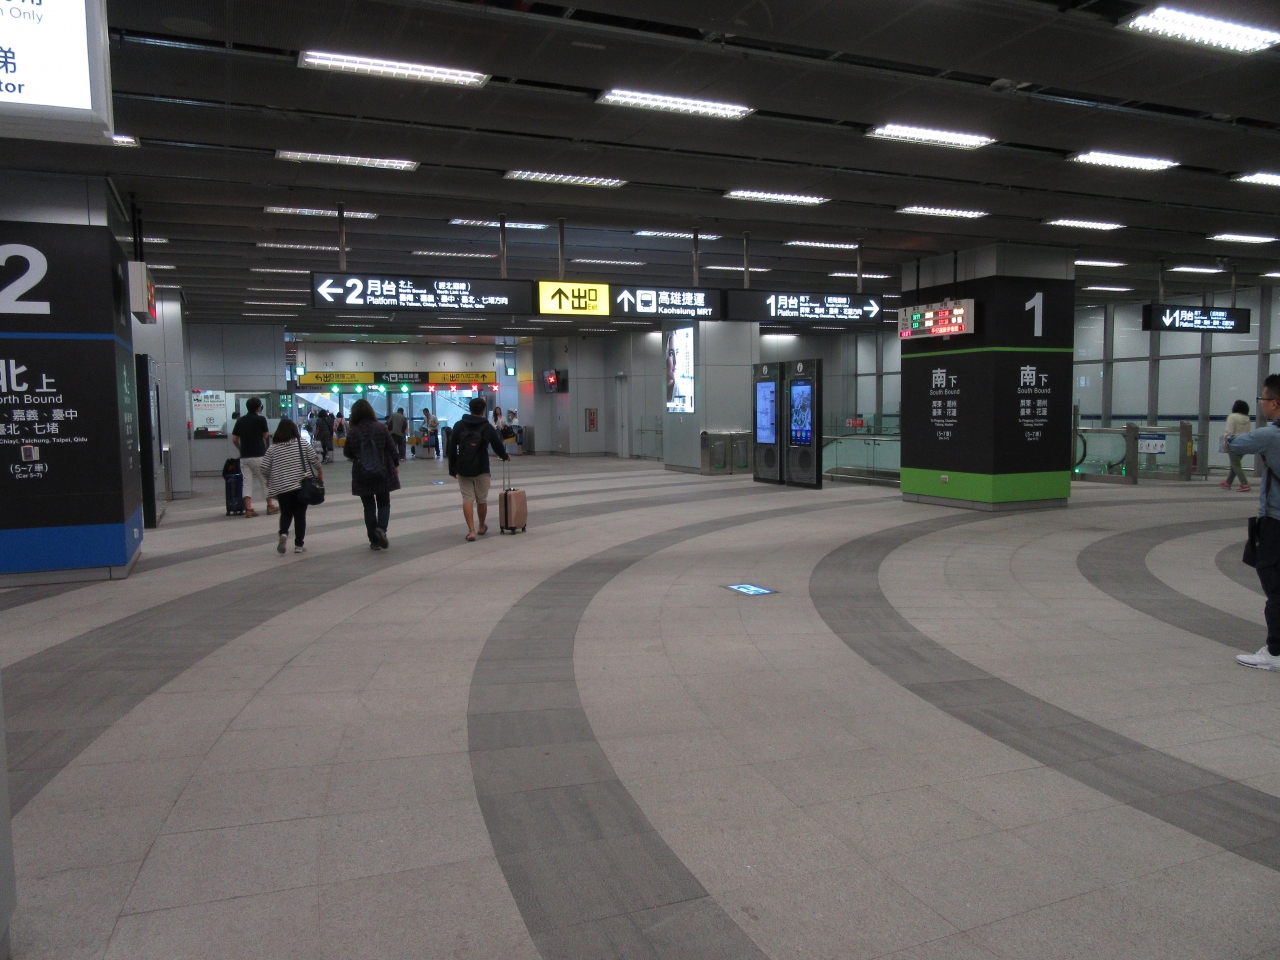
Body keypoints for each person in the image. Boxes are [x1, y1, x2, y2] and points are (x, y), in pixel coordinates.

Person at [1228, 376, 1280, 669]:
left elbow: (1233, 445)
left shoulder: (1271, 435)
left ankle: (1275, 652)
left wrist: (1228, 437)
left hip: (1275, 521)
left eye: (1262, 399)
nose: (1260, 404)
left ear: (1274, 403)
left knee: (1273, 583)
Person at [448, 396, 510, 542]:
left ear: (469, 409)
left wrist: (452, 468)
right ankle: (481, 526)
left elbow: (451, 448)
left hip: (463, 468)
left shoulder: (459, 425)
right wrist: (505, 456)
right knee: (481, 500)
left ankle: (471, 531)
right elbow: (497, 445)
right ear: (483, 411)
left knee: (467, 499)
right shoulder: (487, 427)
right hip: (482, 468)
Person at [345, 398, 400, 550]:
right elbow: (392, 449)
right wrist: (395, 464)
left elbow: (347, 452)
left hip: (362, 473)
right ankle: (381, 529)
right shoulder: (381, 428)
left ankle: (374, 542)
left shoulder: (352, 431)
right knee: (384, 503)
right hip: (383, 471)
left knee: (368, 507)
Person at [261, 418, 323, 554]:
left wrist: (269, 478)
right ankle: (299, 545)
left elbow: (264, 467)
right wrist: (320, 473)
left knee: (286, 513)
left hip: (282, 487)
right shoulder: (302, 443)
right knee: (300, 515)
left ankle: (283, 533)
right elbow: (315, 460)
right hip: (301, 486)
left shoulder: (273, 448)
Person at [231, 397, 275, 517]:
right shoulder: (261, 419)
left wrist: (241, 448)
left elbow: (234, 439)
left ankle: (249, 509)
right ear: (258, 408)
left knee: (247, 482)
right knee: (265, 481)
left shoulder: (240, 420)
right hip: (259, 455)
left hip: (245, 456)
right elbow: (265, 435)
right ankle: (270, 506)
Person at [1222, 399, 1253, 492]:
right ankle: (1228, 483)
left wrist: (1224, 442)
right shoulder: (1247, 419)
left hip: (1233, 442)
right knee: (1235, 464)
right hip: (1244, 443)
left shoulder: (1232, 417)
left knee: (1235, 464)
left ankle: (1244, 483)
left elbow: (1229, 432)